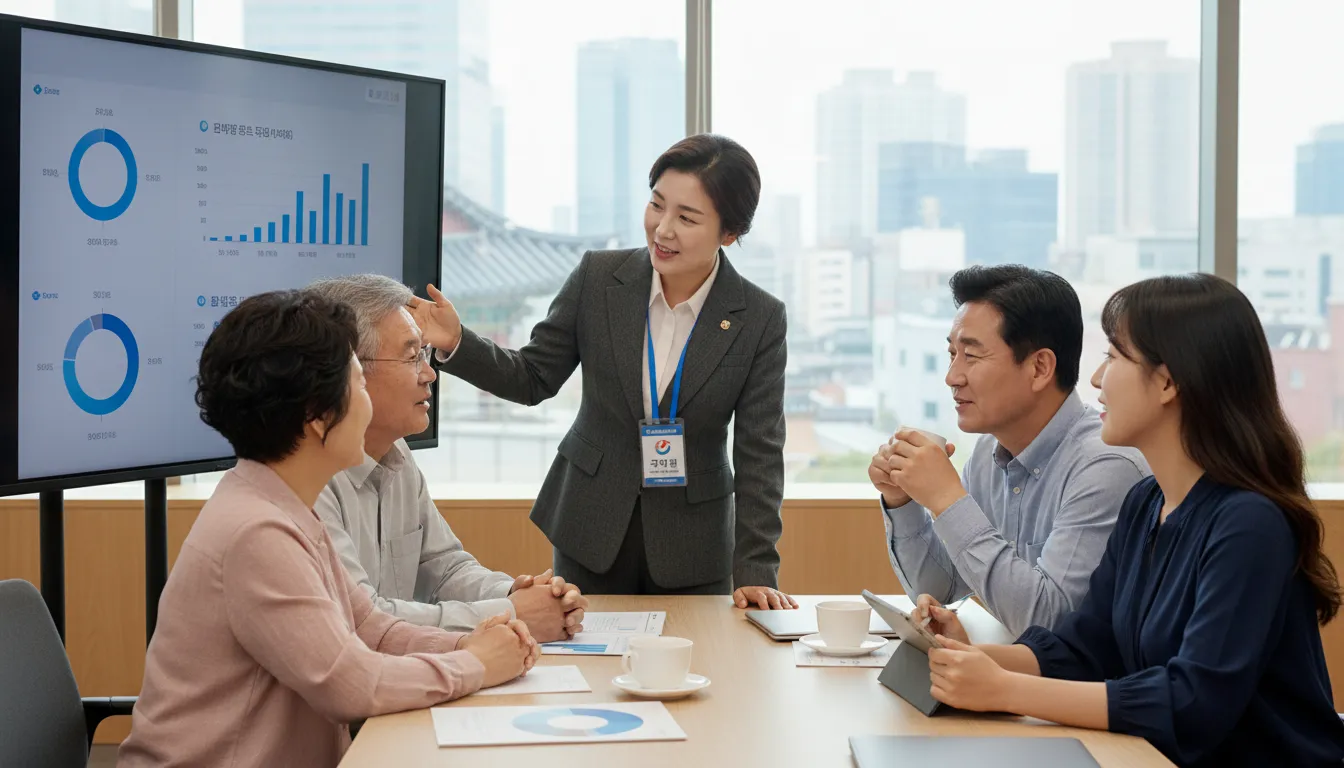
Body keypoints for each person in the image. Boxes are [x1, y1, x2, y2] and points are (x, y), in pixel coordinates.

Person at [921, 274, 1344, 767]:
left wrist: (1006, 690)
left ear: (1167, 381)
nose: (1097, 379)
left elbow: (1191, 702)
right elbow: (1087, 648)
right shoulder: (1146, 502)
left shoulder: (1250, 524)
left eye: (1115, 357)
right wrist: (974, 656)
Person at [118, 290, 538, 768]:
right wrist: (476, 663)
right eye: (359, 384)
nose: (368, 402)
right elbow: (350, 684)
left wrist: (473, 642)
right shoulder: (257, 532)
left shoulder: (286, 505)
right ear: (319, 416)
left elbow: (368, 629)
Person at [412, 134, 795, 608]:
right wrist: (456, 342)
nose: (663, 229)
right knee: (587, 665)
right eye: (657, 205)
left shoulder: (758, 317)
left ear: (730, 232)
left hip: (694, 542)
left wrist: (757, 569)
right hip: (590, 525)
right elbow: (533, 376)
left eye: (687, 217)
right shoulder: (599, 279)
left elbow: (760, 450)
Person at [306, 275, 587, 643]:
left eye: (425, 353)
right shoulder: (306, 477)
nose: (429, 374)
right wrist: (513, 614)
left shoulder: (397, 453)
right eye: (412, 356)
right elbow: (363, 621)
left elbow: (445, 569)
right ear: (349, 373)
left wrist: (520, 596)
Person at [868, 265, 1148, 635]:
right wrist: (902, 500)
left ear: (1040, 368)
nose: (952, 376)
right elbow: (942, 588)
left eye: (971, 356)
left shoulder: (1105, 465)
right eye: (952, 354)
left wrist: (948, 500)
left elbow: (1050, 623)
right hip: (1015, 682)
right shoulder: (988, 453)